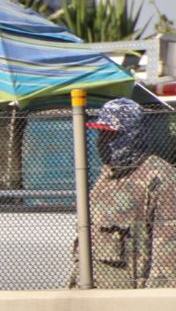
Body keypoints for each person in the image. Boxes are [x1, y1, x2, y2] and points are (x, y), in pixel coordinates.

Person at [73, 97, 176, 288]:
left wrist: (154, 299)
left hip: (129, 297)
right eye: (101, 134)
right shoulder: (108, 174)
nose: (103, 142)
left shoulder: (159, 178)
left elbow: (168, 258)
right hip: (93, 292)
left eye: (111, 135)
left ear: (132, 135)